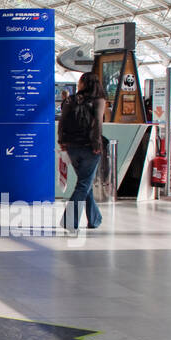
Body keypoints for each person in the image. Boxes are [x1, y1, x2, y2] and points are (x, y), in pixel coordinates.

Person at [58, 71, 106, 231]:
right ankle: (69, 221)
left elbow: (62, 122)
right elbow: (98, 122)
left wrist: (62, 142)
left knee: (85, 182)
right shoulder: (98, 100)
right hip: (89, 147)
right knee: (84, 183)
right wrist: (97, 144)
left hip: (72, 147)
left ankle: (94, 219)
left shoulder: (71, 100)